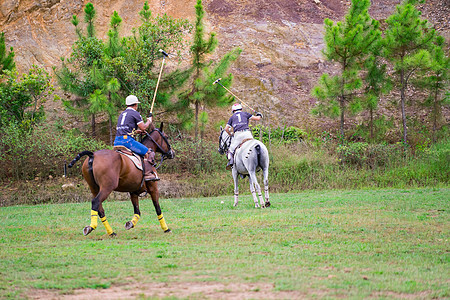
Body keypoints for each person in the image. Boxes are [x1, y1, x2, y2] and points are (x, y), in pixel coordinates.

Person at [114, 95, 159, 182]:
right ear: (135, 105)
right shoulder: (135, 113)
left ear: (127, 105)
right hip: (127, 141)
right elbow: (143, 127)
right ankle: (147, 174)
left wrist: (137, 132)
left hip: (117, 141)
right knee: (149, 152)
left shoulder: (122, 114)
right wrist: (149, 121)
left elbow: (124, 130)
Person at [224, 103, 262, 170]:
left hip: (238, 135)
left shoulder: (232, 117)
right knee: (253, 146)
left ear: (233, 111)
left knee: (230, 150)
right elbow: (257, 118)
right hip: (247, 134)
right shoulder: (246, 114)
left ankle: (231, 163)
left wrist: (231, 134)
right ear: (241, 109)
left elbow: (226, 129)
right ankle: (259, 161)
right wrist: (259, 115)